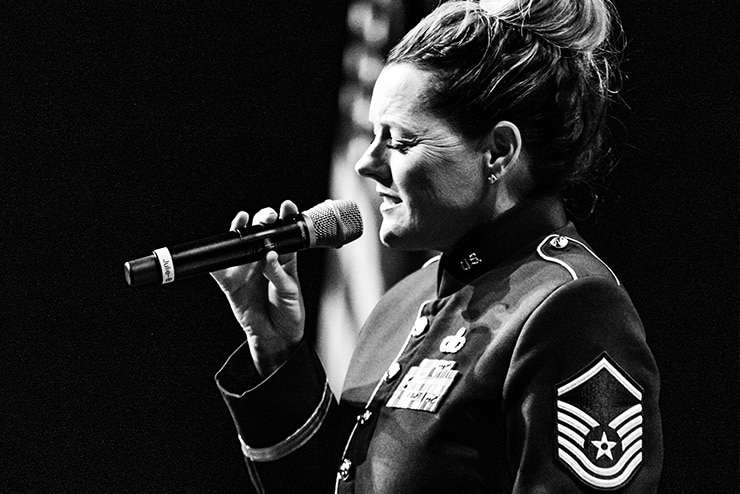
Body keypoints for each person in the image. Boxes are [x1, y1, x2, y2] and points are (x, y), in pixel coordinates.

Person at [210, 0, 663, 492]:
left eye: (400, 141)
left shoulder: (571, 307)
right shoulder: (398, 307)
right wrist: (278, 351)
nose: (366, 164)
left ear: (499, 151)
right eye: (371, 134)